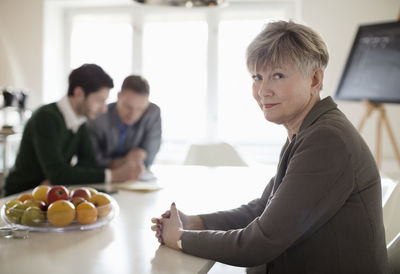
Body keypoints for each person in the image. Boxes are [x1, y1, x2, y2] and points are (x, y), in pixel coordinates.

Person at [151, 21, 389, 274]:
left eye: (278, 75)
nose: (263, 90)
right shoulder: (308, 129)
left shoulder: (327, 140)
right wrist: (195, 223)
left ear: (315, 79)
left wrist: (180, 239)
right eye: (257, 77)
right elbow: (264, 208)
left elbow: (259, 243)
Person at [3, 64, 143, 197]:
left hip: (48, 194)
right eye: (99, 100)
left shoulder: (80, 120)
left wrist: (63, 176)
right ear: (79, 93)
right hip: (20, 196)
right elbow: (57, 173)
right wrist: (114, 175)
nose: (104, 108)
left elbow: (89, 162)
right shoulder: (46, 117)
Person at [89, 75, 161, 171]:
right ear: (119, 96)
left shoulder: (152, 113)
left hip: (136, 179)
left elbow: (149, 157)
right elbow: (92, 161)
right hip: (103, 177)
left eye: (140, 109)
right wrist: (125, 161)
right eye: (128, 107)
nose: (132, 115)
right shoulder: (99, 115)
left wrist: (141, 156)